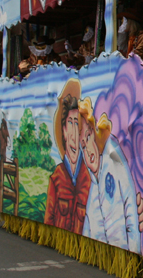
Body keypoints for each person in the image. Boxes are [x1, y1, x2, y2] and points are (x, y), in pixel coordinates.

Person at [78, 97, 143, 252]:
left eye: (89, 137)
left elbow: (131, 216)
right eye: (83, 146)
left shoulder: (114, 161)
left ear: (95, 134)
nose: (87, 149)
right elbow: (87, 228)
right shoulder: (93, 188)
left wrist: (134, 253)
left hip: (125, 254)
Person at [44, 79, 91, 234]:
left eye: (76, 123)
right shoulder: (57, 178)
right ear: (64, 130)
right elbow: (49, 220)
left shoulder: (88, 178)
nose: (73, 131)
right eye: (70, 123)